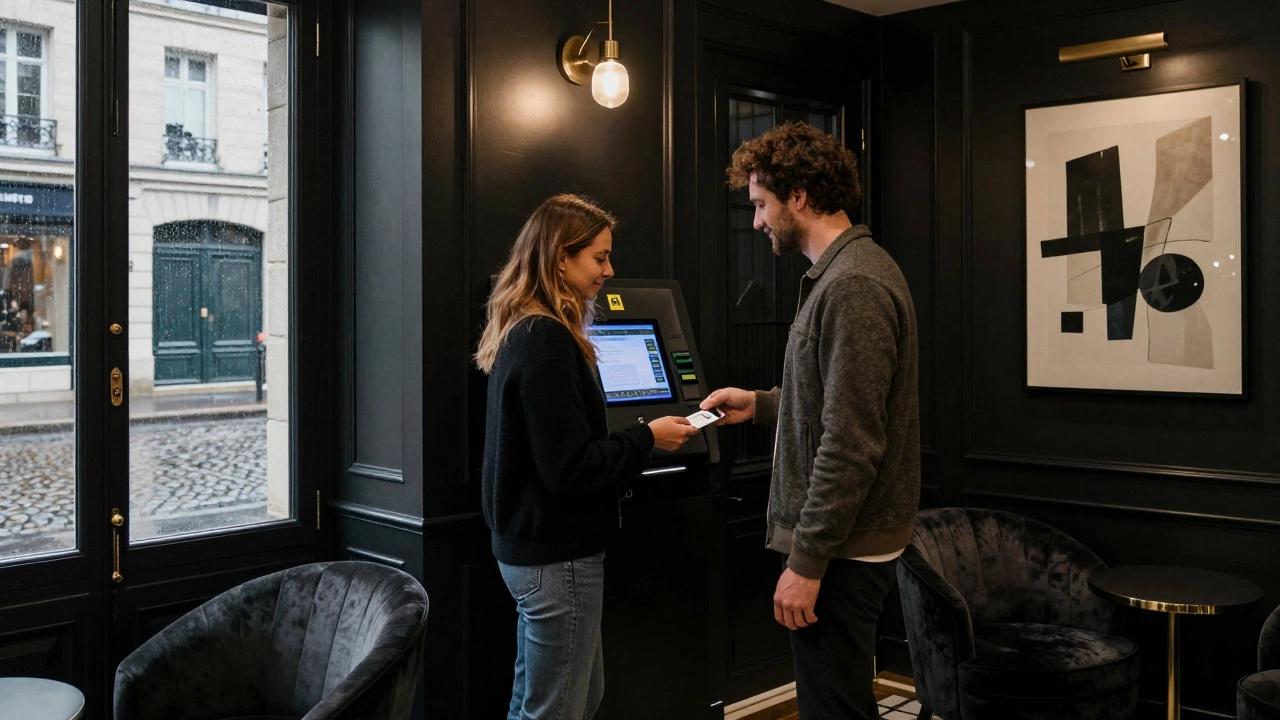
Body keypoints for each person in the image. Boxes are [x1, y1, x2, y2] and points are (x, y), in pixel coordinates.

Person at [701, 122, 921, 720]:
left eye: (760, 204)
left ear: (798, 196)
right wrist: (762, 403)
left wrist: (806, 561)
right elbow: (836, 401)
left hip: (842, 549)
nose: (756, 221)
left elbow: (851, 442)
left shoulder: (852, 285)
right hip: (844, 543)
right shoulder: (849, 273)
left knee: (833, 708)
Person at [476, 193, 699, 720]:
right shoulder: (547, 339)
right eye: (598, 257)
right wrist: (648, 437)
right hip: (558, 557)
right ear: (559, 257)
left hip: (530, 550)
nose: (609, 269)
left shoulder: (525, 327)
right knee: (557, 711)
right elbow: (569, 469)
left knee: (546, 701)